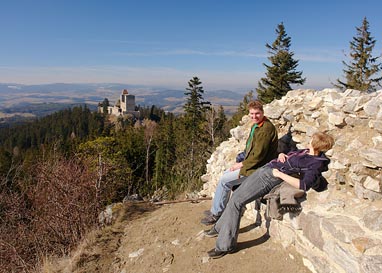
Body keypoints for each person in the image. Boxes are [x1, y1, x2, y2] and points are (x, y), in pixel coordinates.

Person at [205, 132, 335, 259]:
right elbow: (292, 160)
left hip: (269, 178)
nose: (310, 139)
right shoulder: (306, 152)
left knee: (237, 202)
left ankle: (225, 245)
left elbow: (304, 185)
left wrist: (279, 175)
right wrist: (283, 155)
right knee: (235, 198)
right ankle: (219, 228)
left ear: (316, 144)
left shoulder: (315, 163)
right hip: (267, 170)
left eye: (312, 139)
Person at [201, 100, 279, 225]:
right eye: (252, 114)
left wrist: (241, 164)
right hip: (252, 164)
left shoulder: (265, 130)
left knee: (224, 181)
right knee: (226, 174)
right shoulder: (258, 125)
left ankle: (216, 214)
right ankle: (218, 208)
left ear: (263, 112)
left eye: (257, 113)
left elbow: (258, 156)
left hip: (257, 168)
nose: (254, 116)